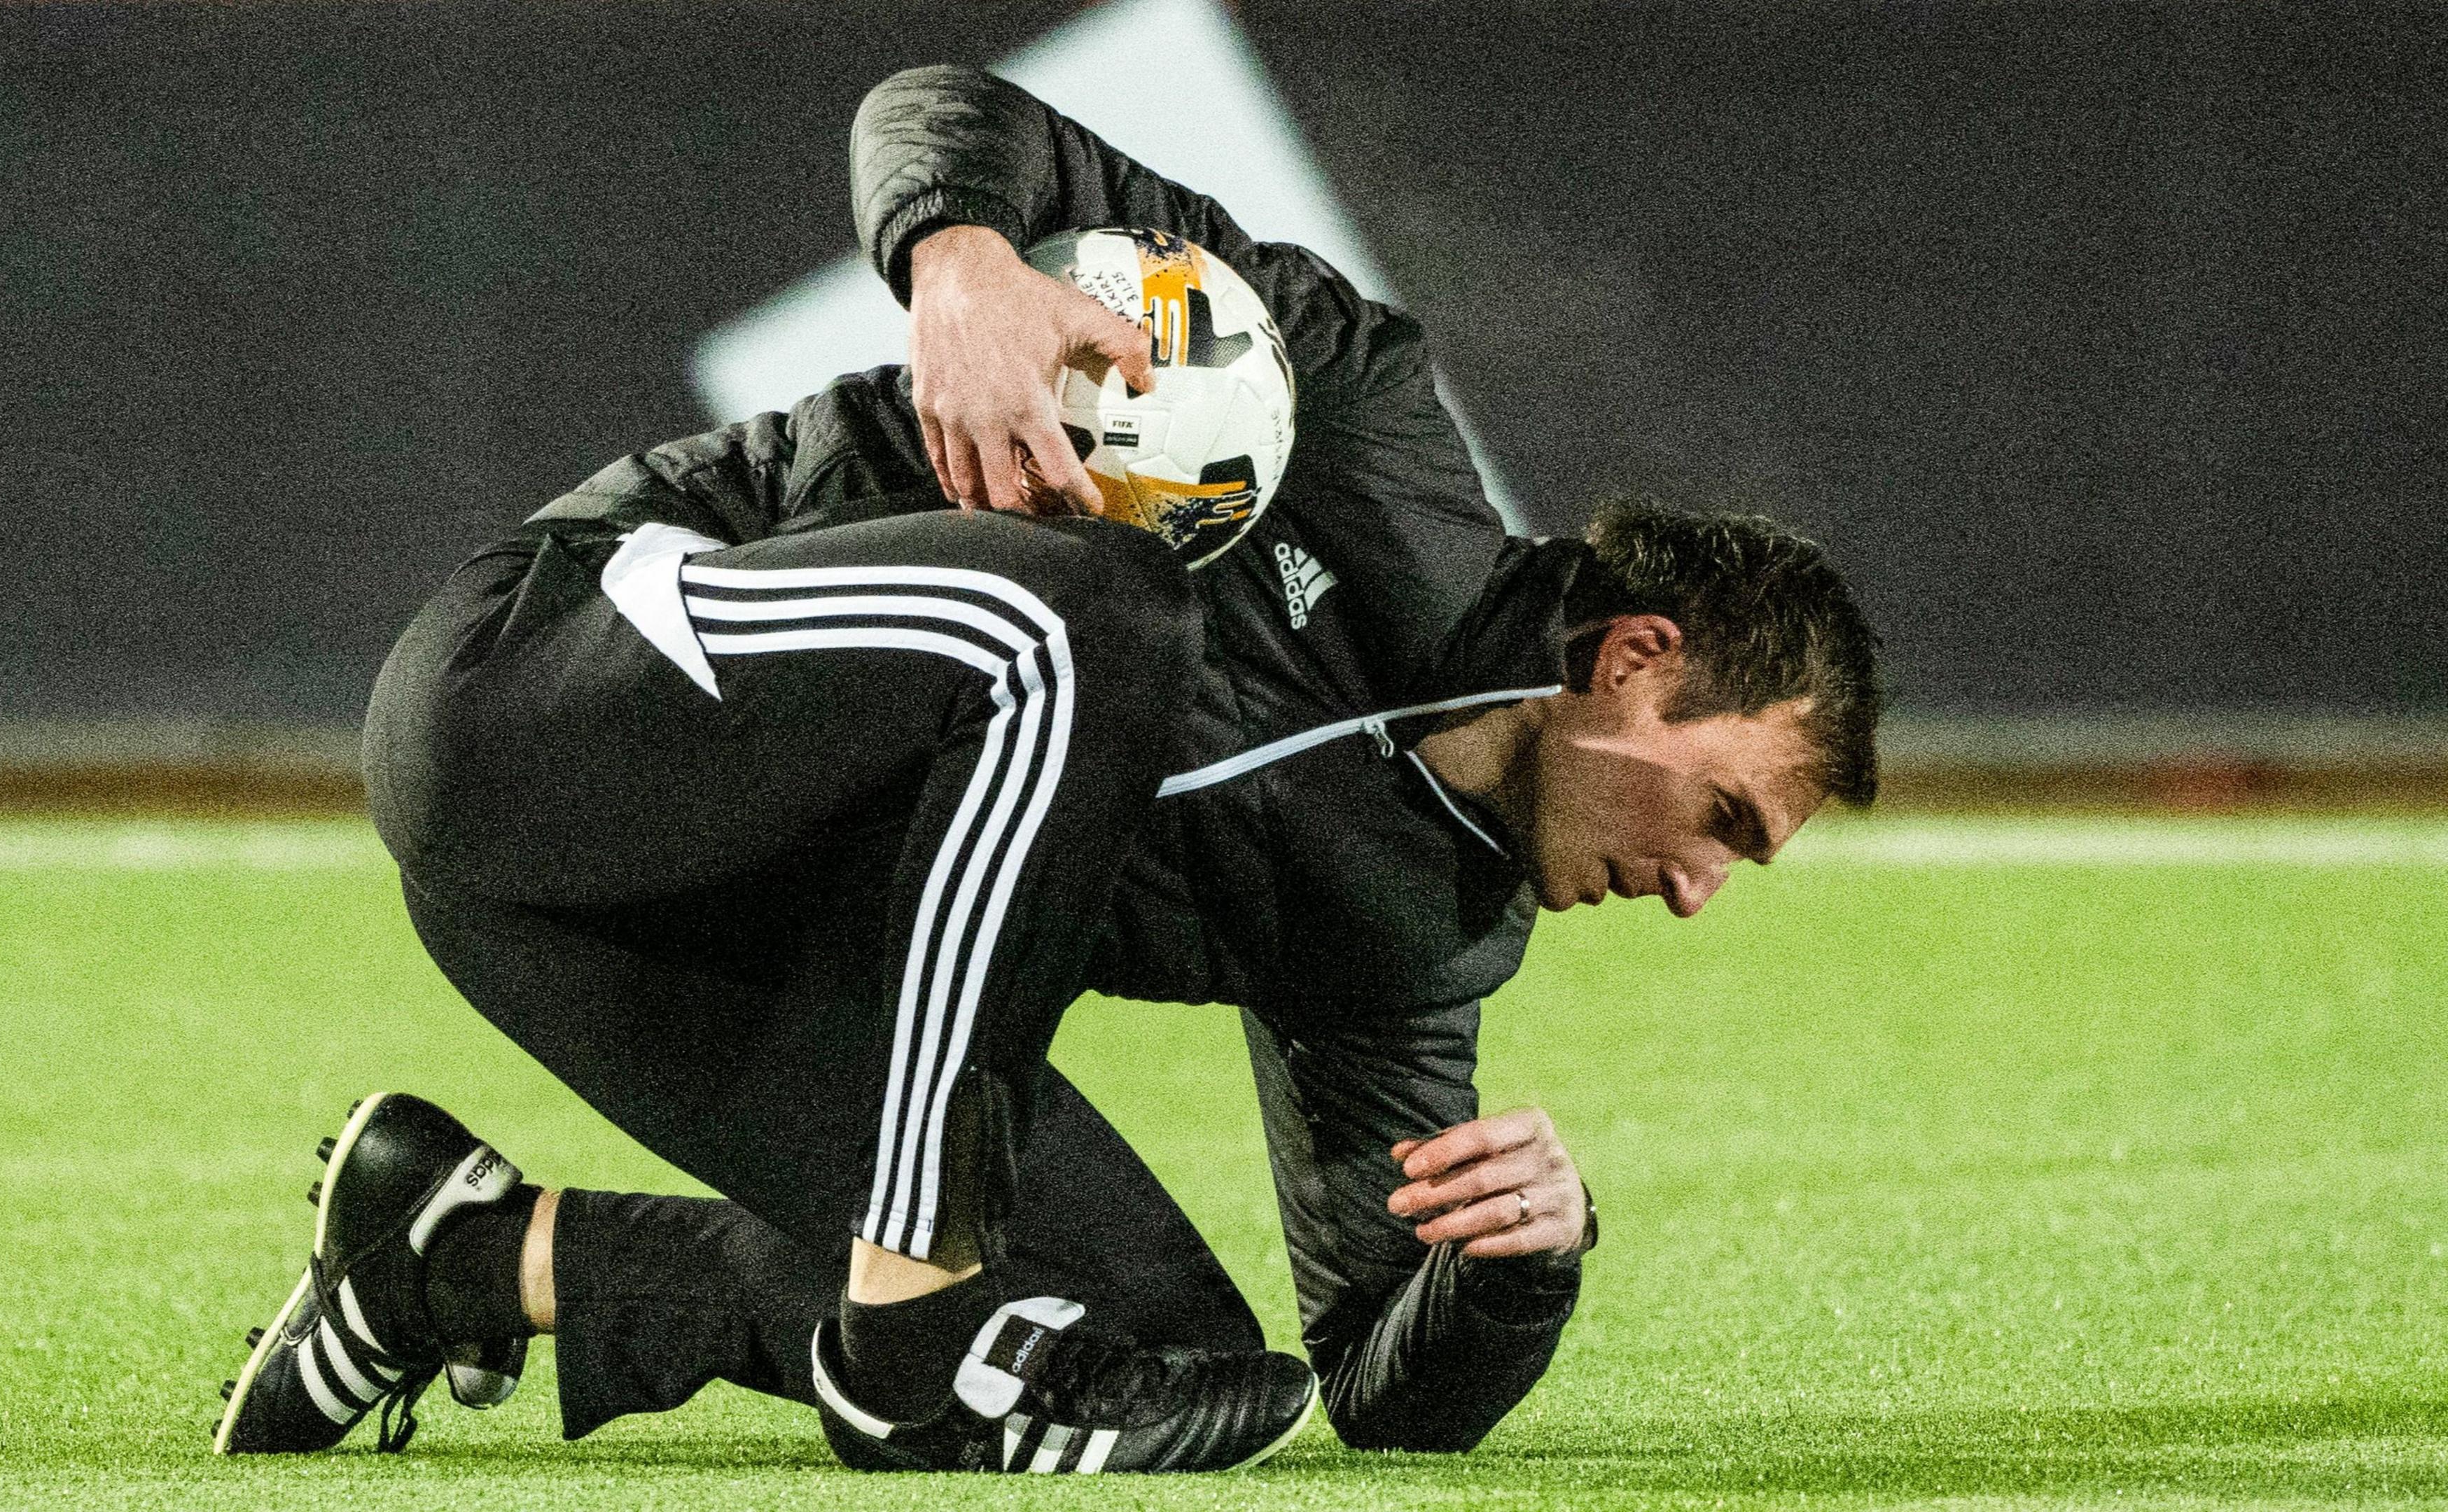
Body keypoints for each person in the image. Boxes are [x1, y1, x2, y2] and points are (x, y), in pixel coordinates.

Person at [211, 64, 1881, 1472]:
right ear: (1639, 660)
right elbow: (947, 109)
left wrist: (1524, 1264)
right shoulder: (1354, 413)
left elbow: (1373, 1383)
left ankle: (456, 1255)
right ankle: (910, 1334)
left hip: (655, 941)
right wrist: (958, 259)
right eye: (1724, 816)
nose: (1692, 889)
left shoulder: (1425, 934)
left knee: (1154, 1365)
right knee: (1098, 621)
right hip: (545, 689)